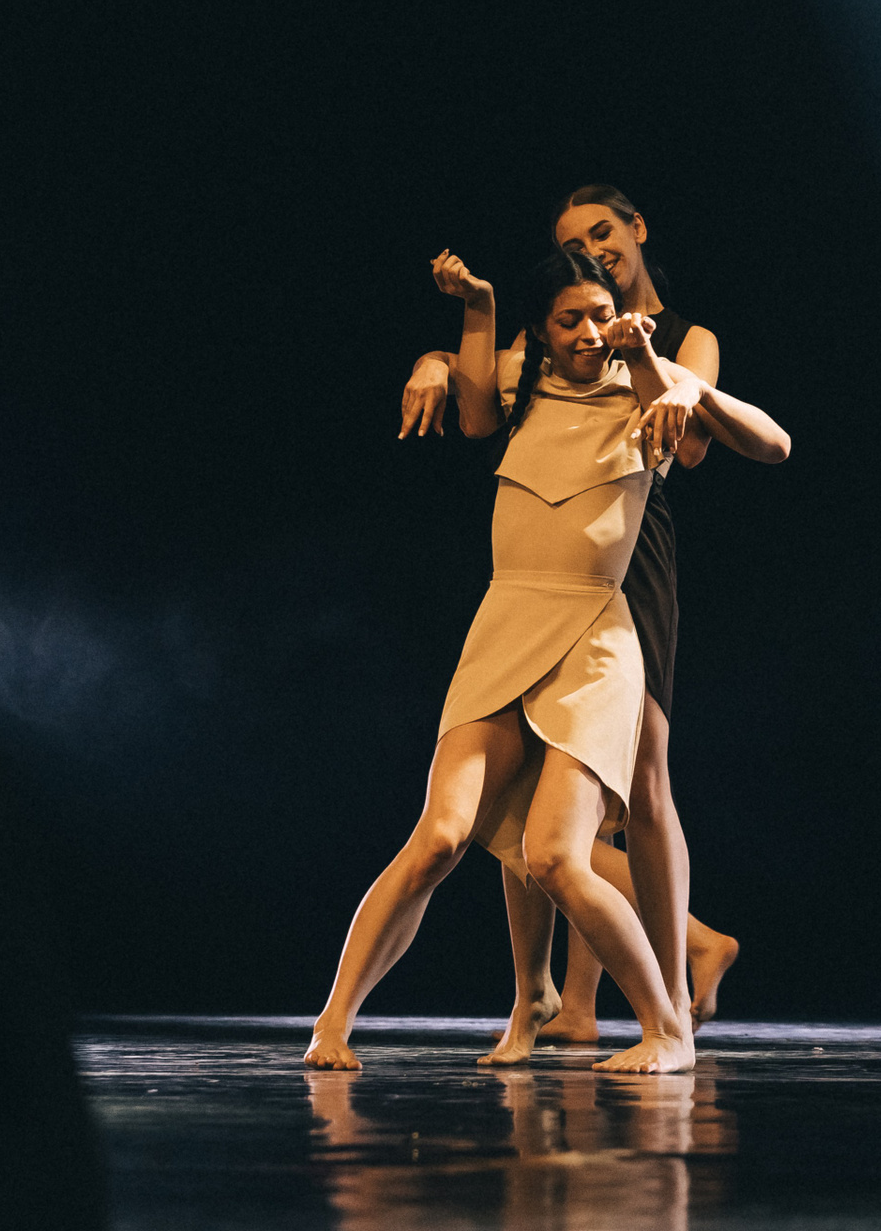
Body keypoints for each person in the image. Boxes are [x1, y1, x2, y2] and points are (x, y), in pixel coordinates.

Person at [309, 249, 713, 1073]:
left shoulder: (647, 389)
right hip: (506, 623)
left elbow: (765, 439)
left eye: (602, 315)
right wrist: (466, 317)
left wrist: (678, 384)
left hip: (596, 634)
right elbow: (472, 409)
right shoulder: (522, 389)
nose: (590, 332)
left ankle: (667, 1029)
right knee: (439, 837)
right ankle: (332, 1024)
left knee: (556, 855)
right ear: (541, 331)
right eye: (571, 319)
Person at [400, 185, 775, 1048]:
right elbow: (491, 390)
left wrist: (658, 372)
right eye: (576, 241)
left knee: (638, 782)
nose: (595, 250)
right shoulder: (560, 324)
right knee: (540, 785)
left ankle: (674, 981)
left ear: (637, 229)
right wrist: (434, 355)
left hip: (628, 547)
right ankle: (563, 999)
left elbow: (691, 443)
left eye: (605, 233)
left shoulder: (683, 337)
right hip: (547, 552)